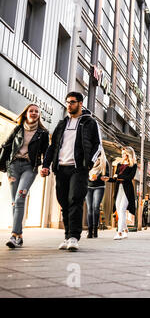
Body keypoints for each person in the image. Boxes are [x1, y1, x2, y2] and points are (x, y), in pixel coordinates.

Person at [41, 92, 101, 251]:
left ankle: (74, 237)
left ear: (80, 103)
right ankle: (67, 236)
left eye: (72, 102)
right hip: (61, 168)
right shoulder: (62, 124)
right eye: (67, 102)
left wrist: (89, 163)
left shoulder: (90, 123)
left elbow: (97, 145)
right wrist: (46, 165)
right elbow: (52, 146)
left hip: (78, 168)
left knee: (75, 199)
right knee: (63, 202)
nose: (69, 105)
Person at [0, 104, 49, 248]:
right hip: (13, 167)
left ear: (39, 115)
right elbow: (6, 146)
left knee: (20, 197)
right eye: (31, 111)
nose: (33, 113)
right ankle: (19, 235)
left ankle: (14, 235)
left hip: (30, 167)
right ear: (26, 113)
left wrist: (46, 167)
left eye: (36, 111)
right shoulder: (18, 129)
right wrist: (3, 165)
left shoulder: (43, 133)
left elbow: (46, 152)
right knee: (15, 201)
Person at [104, 147, 137, 240]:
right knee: (118, 210)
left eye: (124, 154)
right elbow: (115, 178)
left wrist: (119, 176)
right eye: (122, 153)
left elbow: (130, 177)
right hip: (119, 189)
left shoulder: (133, 165)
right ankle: (126, 230)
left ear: (128, 154)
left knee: (122, 209)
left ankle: (119, 232)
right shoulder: (119, 164)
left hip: (127, 190)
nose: (122, 155)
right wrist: (108, 179)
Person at [86, 149, 109, 238]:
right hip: (88, 186)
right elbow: (84, 172)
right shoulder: (89, 160)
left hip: (99, 187)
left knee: (95, 207)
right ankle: (89, 230)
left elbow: (106, 175)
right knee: (89, 208)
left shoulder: (105, 162)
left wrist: (98, 177)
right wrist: (89, 178)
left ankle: (95, 230)